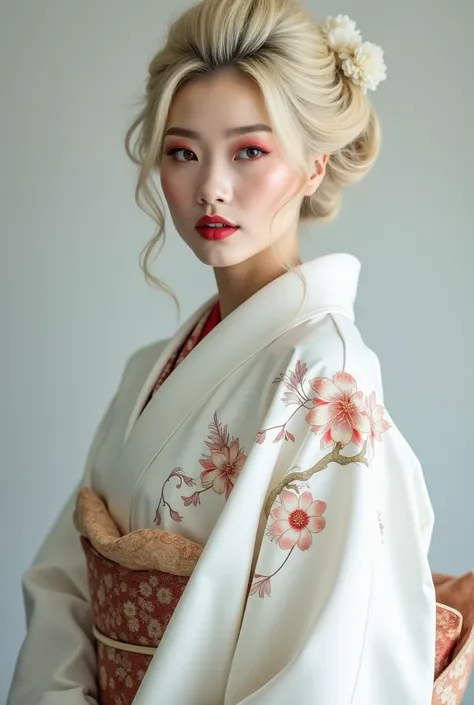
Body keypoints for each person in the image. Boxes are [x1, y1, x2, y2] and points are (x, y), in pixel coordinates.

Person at [7, 1, 437, 703]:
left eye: (249, 151)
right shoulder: (148, 367)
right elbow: (66, 580)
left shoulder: (329, 373)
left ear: (313, 164)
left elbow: (319, 666)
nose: (210, 185)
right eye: (183, 151)